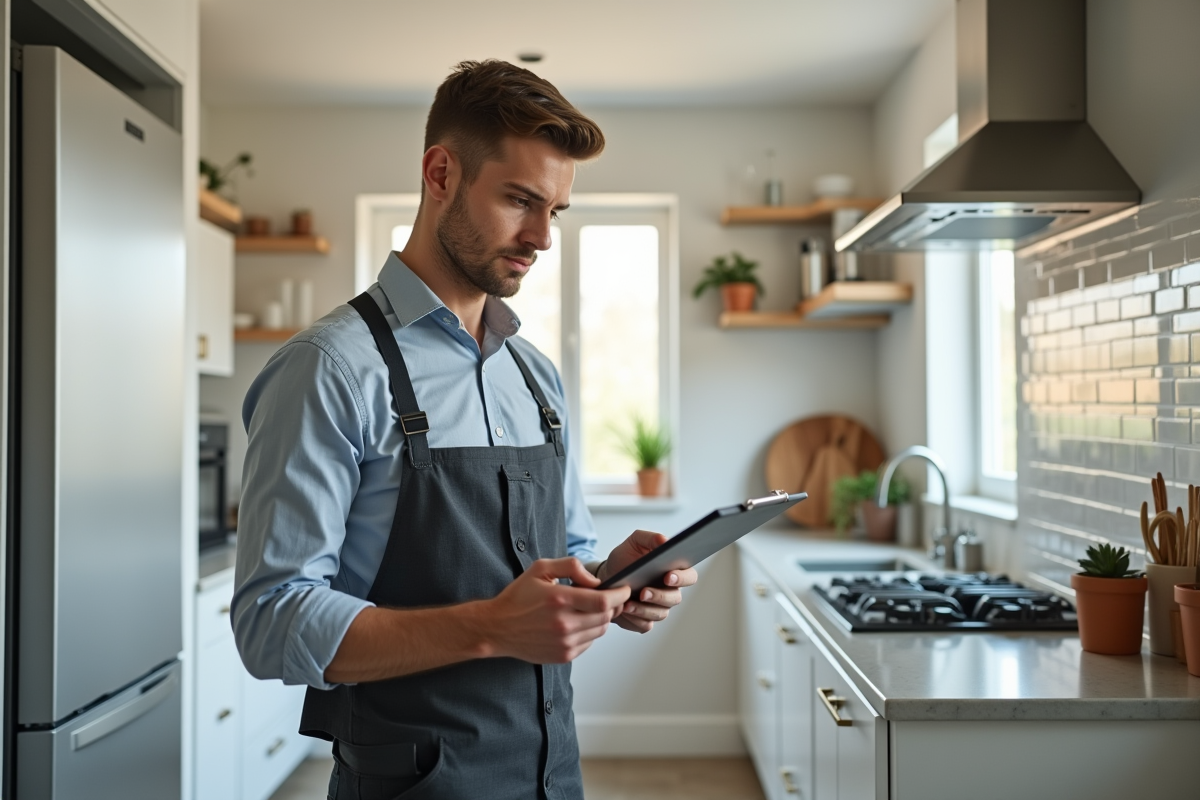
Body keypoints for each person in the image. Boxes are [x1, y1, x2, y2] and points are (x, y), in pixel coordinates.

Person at [231, 60, 698, 800]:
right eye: (520, 200)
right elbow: (272, 621)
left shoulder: (535, 375)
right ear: (441, 173)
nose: (543, 236)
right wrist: (491, 627)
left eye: (557, 211)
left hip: (552, 776)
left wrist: (613, 580)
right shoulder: (330, 369)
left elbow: (563, 556)